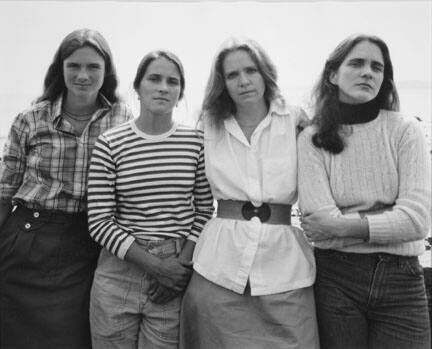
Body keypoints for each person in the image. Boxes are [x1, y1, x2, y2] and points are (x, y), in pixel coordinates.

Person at [180, 37, 319, 349]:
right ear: (222, 83)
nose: (243, 81)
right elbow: (191, 193)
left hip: (284, 266)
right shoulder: (208, 126)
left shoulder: (295, 120)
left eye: (251, 71)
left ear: (265, 73)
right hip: (219, 265)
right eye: (232, 75)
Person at [0, 28, 133, 348]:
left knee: (75, 337)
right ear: (60, 68)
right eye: (74, 66)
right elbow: (5, 192)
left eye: (93, 67)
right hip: (28, 240)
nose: (83, 75)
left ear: (107, 72)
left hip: (87, 242)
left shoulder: (122, 119)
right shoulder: (30, 119)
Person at [298, 33, 431, 349]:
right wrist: (386, 216)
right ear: (333, 74)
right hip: (336, 277)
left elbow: (417, 221)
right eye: (356, 63)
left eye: (377, 67)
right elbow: (317, 224)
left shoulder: (405, 129)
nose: (368, 72)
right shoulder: (312, 138)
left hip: (403, 279)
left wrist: (341, 224)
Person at [87, 50, 214, 349]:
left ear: (180, 93)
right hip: (119, 273)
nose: (163, 87)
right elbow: (99, 221)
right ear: (138, 87)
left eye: (172, 82)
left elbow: (205, 210)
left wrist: (179, 269)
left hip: (175, 271)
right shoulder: (110, 143)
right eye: (154, 79)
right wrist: (157, 267)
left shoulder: (196, 142)